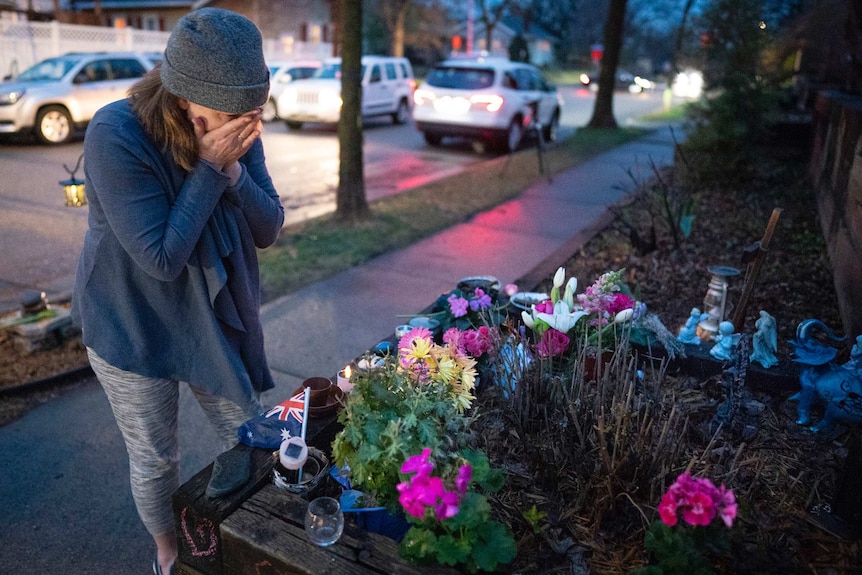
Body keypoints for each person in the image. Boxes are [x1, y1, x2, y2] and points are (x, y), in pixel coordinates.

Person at [71, 9, 283, 575]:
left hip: (207, 313)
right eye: (232, 114)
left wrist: (234, 171)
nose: (244, 125)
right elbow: (162, 259)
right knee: (156, 457)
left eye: (252, 113)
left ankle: (256, 543)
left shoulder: (234, 128)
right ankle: (169, 554)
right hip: (129, 318)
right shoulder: (115, 134)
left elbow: (268, 229)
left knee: (250, 433)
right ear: (185, 98)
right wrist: (212, 166)